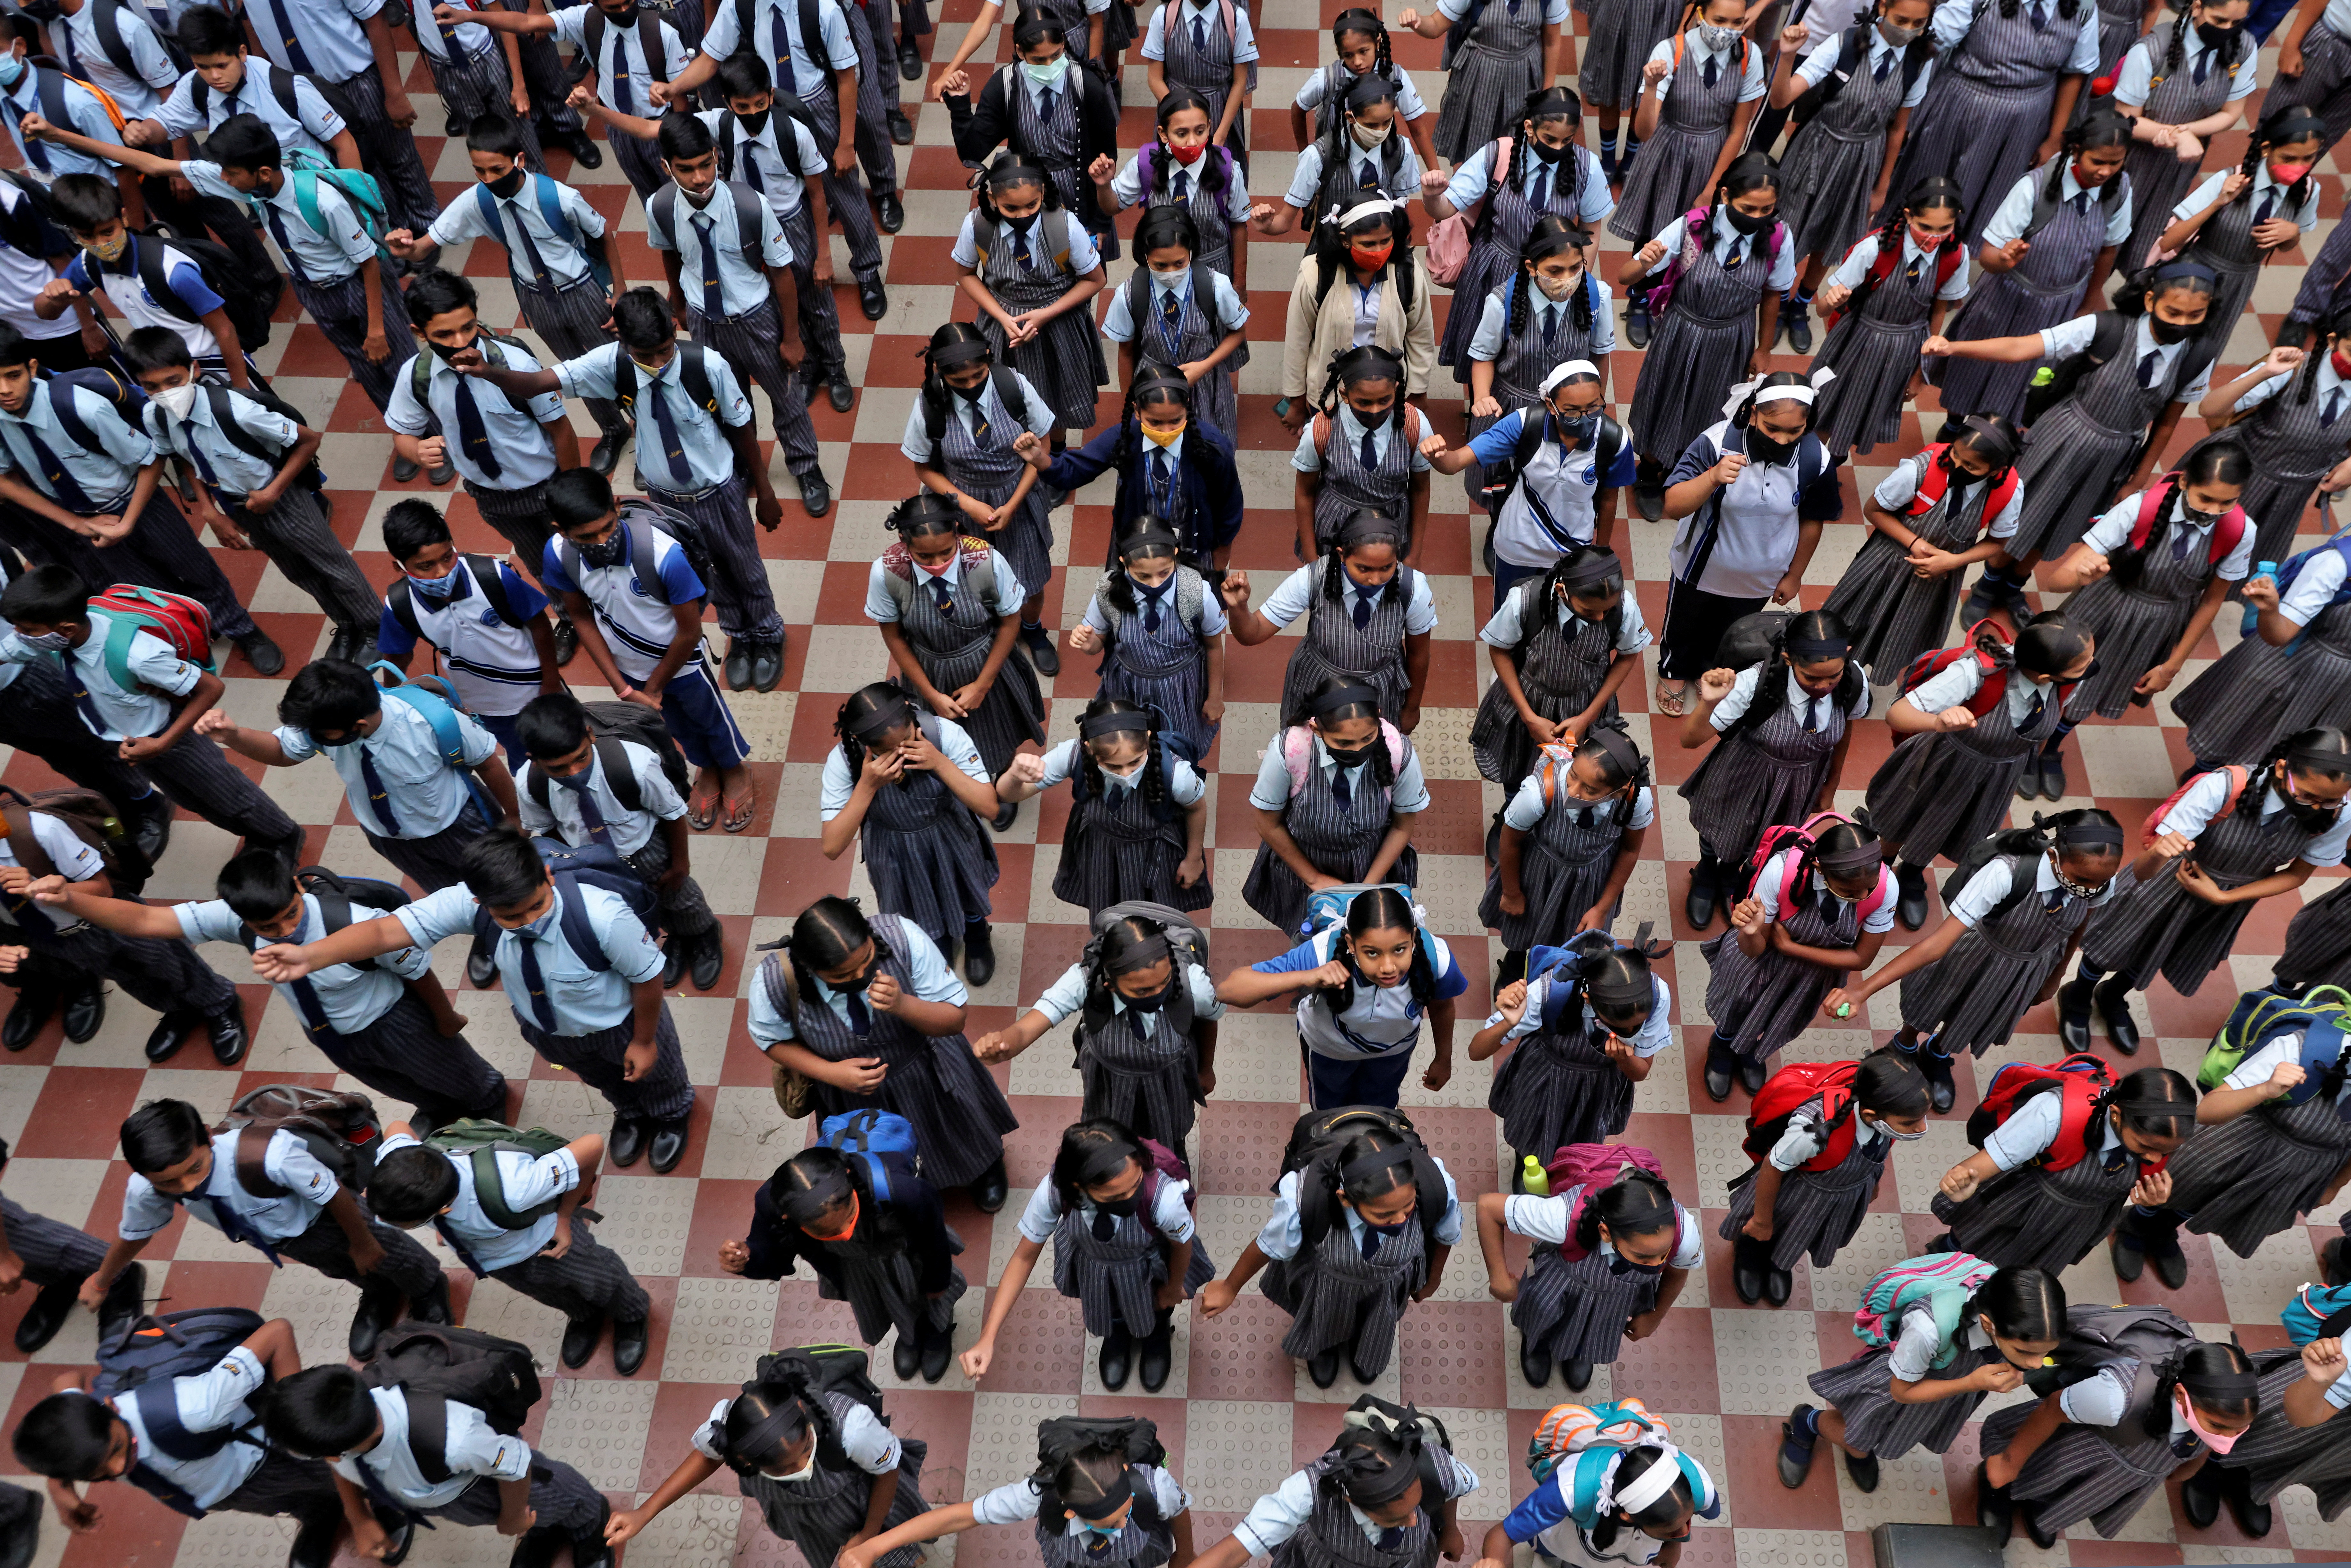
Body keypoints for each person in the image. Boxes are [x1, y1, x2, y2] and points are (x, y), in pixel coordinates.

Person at [249, 825, 698, 1175]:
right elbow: (387, 931)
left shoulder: (602, 916)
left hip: (622, 1023)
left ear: (546, 876)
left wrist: (643, 1041)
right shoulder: (469, 902)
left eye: (535, 906)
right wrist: (309, 954)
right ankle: (632, 1112)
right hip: (550, 1028)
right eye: (508, 916)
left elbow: (647, 977)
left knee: (657, 1075)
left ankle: (670, 1113)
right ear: (481, 902)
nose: (525, 922)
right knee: (603, 1078)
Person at [459, 292, 793, 701]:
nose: (655, 364)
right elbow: (538, 382)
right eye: (643, 355)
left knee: (744, 565)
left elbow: (743, 427)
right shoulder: (610, 364)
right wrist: (488, 372)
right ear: (622, 343)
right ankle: (738, 634)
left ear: (675, 327)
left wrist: (764, 489)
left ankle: (767, 632)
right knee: (701, 571)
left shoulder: (707, 365)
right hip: (664, 499)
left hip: (718, 491)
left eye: (663, 352)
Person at [31, 847, 504, 1128]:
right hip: (328, 1031)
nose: (281, 930)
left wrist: (445, 1019)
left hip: (395, 1022)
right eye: (267, 925)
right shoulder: (235, 920)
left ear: (299, 891)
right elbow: (146, 919)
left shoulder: (355, 923)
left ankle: (489, 1108)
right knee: (394, 1083)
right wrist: (71, 899)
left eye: (290, 916)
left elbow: (415, 970)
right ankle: (439, 1108)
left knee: (462, 1076)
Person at [33, 117, 416, 445]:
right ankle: (405, 434)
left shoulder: (322, 202)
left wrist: (378, 327)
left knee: (399, 360)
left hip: (358, 286)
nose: (224, 180)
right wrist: (60, 135)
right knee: (365, 366)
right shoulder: (245, 182)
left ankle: (430, 435)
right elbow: (151, 164)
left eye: (230, 174)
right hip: (313, 290)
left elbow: (367, 262)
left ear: (261, 174)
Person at [577, 50, 875, 415]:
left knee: (814, 299)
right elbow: (652, 129)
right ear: (727, 103)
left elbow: (815, 192)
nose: (751, 113)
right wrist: (595, 110)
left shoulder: (793, 133)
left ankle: (836, 368)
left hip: (790, 222)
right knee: (775, 301)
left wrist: (824, 254)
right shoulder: (718, 124)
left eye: (758, 104)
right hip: (742, 221)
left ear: (770, 95)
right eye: (741, 106)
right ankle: (807, 367)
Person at [1931, 261, 2222, 619]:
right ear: (2150, 301)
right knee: (2024, 515)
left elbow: (2166, 424)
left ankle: (2012, 588)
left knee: (2061, 521)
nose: (2181, 323)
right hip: (2063, 437)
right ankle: (1986, 586)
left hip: (2115, 454)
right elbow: (2022, 348)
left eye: (2195, 315)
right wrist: (1953, 348)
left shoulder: (2197, 355)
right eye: (2172, 312)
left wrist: (2137, 478)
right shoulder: (2107, 328)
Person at [0, 324, 284, 679]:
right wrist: (76, 523)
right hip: (84, 517)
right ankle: (186, 635)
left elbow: (149, 461)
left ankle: (242, 630)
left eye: (13, 375)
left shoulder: (80, 406)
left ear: (31, 367)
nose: (5, 390)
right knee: (141, 589)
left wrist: (128, 521)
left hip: (139, 503)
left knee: (193, 567)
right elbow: (5, 479)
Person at [85, 1098, 450, 1357]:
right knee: (338, 1266)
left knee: (388, 1253)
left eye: (194, 1169)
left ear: (209, 1139)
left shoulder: (270, 1157)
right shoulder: (147, 1186)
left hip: (333, 1216)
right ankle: (379, 1293)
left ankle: (429, 1286)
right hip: (283, 1237)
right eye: (168, 1183)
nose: (186, 1188)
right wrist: (102, 1280)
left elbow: (334, 1195)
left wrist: (363, 1243)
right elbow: (136, 1234)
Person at [0, 564, 303, 872]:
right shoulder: (60, 640)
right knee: (192, 798)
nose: (19, 636)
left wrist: (162, 744)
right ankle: (257, 835)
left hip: (171, 737)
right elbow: (8, 650)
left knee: (228, 793)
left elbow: (211, 688)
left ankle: (283, 836)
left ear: (65, 629)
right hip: (135, 742)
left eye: (26, 630)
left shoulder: (138, 655)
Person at [1823, 809, 2130, 1111]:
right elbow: (1936, 946)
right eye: (2082, 880)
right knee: (1931, 1001)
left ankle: (1938, 1053)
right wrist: (1862, 990)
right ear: (2054, 857)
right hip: (1975, 954)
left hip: (2029, 965)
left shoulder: (2099, 881)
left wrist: (2057, 974)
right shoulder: (2006, 873)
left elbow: (2081, 923)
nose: (2089, 890)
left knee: (1976, 1015)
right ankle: (1904, 1044)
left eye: (2100, 883)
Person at [2066, 727, 2351, 1050]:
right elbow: (2157, 854)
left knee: (2161, 948)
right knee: (2117, 940)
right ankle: (2077, 996)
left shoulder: (2340, 815)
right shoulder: (2224, 785)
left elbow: (2297, 875)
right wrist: (2160, 852)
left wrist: (2223, 897)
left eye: (2328, 802)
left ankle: (2112, 994)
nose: (2315, 809)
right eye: (2306, 795)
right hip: (2173, 877)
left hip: (2229, 898)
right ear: (2282, 769)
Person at [121, 326, 378, 667]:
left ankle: (375, 627)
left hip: (282, 498)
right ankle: (346, 625)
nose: (165, 394)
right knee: (298, 571)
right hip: (239, 507)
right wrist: (210, 512)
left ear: (194, 370)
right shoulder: (155, 416)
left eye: (173, 381)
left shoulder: (237, 410)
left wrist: (273, 491)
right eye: (151, 387)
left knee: (332, 565)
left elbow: (309, 441)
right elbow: (183, 458)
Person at [10, 1316, 359, 1567]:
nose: (119, 1468)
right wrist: (59, 1488)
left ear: (110, 1406)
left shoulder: (197, 1407)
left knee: (335, 1476)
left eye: (117, 1449)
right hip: (216, 1487)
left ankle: (377, 1507)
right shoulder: (91, 1429)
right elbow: (66, 1381)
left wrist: (296, 1420)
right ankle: (321, 1515)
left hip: (263, 1460)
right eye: (99, 1472)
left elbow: (278, 1331)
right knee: (282, 1501)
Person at [384, 120, 629, 473]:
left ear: (519, 160)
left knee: (614, 361)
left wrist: (619, 292)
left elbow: (602, 232)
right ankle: (612, 429)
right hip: (535, 298)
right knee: (570, 370)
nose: (487, 179)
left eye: (496, 169)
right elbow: (424, 247)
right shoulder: (477, 201)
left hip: (581, 291)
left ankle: (644, 424)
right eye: (479, 171)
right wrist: (405, 249)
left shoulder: (558, 197)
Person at [748, 895, 1015, 1213]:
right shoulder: (777, 980)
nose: (862, 977)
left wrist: (903, 1005)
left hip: (927, 1069)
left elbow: (955, 1019)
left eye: (867, 961)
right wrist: (830, 1073)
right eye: (844, 976)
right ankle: (907, 1190)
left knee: (961, 1126)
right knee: (878, 1158)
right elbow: (771, 1041)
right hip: (854, 1097)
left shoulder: (902, 938)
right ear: (810, 968)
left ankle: (983, 1168)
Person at [539, 466, 759, 830]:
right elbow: (580, 618)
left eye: (607, 528)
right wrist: (623, 688)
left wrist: (653, 688)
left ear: (616, 505)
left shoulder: (663, 556)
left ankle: (735, 769)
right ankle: (706, 768)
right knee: (674, 724)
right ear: (560, 530)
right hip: (626, 663)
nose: (599, 542)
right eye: (585, 536)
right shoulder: (559, 555)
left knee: (710, 718)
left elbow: (689, 633)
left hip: (681, 662)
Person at [2030, 444, 2254, 795]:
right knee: (2057, 677)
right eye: (2205, 499)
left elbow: (2212, 601)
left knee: (2095, 688)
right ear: (2183, 482)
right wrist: (2081, 576)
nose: (2214, 511)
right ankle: (2030, 741)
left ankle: (2050, 748)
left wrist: (2172, 665)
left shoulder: (2240, 531)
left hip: (2156, 624)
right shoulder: (2138, 509)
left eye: (2227, 503)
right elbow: (2055, 581)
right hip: (2102, 606)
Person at [643, 113, 831, 519]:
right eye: (685, 169)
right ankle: (745, 467)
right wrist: (677, 302)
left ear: (716, 156)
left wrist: (792, 337)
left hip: (757, 319)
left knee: (786, 399)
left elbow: (781, 271)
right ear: (667, 167)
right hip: (705, 323)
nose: (698, 178)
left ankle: (807, 468)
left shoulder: (750, 206)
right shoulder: (659, 207)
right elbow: (670, 253)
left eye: (705, 165)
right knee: (726, 401)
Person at [200, 656, 515, 894]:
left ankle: (509, 923)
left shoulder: (431, 723)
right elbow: (283, 750)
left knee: (500, 882)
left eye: (322, 735)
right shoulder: (325, 722)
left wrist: (514, 819)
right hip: (388, 835)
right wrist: (234, 736)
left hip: (459, 824)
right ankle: (482, 927)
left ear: (359, 726)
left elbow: (487, 763)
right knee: (449, 892)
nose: (312, 738)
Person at [366, 1116, 649, 1374]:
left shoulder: (517, 1188)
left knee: (598, 1278)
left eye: (408, 1224)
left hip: (545, 1242)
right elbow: (398, 1128)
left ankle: (631, 1314)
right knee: (545, 1291)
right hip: (496, 1257)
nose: (379, 1218)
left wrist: (563, 1217)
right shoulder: (398, 1161)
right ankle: (586, 1315)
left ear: (441, 1208)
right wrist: (443, 1227)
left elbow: (592, 1146)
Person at [262, 1361, 613, 1567]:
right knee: (537, 1519)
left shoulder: (455, 1439)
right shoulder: (343, 1423)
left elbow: (515, 1465)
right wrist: (359, 1516)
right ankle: (544, 1530)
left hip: (506, 1484)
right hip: (445, 1494)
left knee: (565, 1500)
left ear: (335, 1451)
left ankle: (591, 1528)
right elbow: (345, 1469)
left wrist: (512, 1517)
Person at [1198, 1117, 1462, 1387]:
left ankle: (1367, 1344)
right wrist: (1230, 1287)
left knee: (1378, 1318)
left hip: (1387, 1284)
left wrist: (1434, 1278)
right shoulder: (1304, 1199)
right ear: (1345, 1199)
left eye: (1407, 1207)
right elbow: (1269, 1245)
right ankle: (1324, 1346)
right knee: (1323, 1316)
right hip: (1327, 1282)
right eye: (1384, 1215)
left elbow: (1446, 1234)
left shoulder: (1434, 1185)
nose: (1401, 1220)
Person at [1866, 617, 2098, 923]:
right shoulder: (1974, 674)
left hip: (1997, 776)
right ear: (2044, 675)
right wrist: (1937, 722)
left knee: (1948, 828)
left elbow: (2043, 725)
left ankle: (1910, 874)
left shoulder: (2062, 680)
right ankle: (1881, 872)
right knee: (1906, 820)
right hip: (1943, 765)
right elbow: (1897, 715)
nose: (2091, 667)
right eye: (2083, 666)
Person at [959, 1118, 1214, 1393]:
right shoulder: (1057, 1190)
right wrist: (988, 1336)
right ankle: (1117, 1336)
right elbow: (1024, 1257)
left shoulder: (1162, 1199)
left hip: (1148, 1266)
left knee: (1156, 1305)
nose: (1132, 1195)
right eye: (1115, 1195)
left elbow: (1181, 1244)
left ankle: (1157, 1336)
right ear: (1080, 1187)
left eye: (1136, 1182)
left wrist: (1173, 1288)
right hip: (1096, 1265)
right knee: (1108, 1303)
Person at [607, 1348, 934, 1562]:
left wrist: (867, 1536)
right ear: (747, 1462)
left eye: (807, 1449)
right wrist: (645, 1512)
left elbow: (887, 1473)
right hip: (807, 1517)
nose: (803, 1466)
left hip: (865, 1501)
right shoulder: (731, 1427)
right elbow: (707, 1456)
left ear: (804, 1412)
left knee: (896, 1550)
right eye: (785, 1468)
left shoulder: (853, 1429)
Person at [1927, 106, 2134, 427]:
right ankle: (1954, 427)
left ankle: (1997, 436)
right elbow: (1987, 258)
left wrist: (2090, 297)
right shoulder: (2032, 188)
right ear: (2076, 152)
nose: (2106, 172)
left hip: (2062, 304)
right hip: (2007, 299)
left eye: (2115, 163)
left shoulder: (2119, 191)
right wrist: (2004, 260)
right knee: (1975, 371)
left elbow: (2109, 249)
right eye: (2098, 162)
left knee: (2027, 380)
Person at [1623, 166, 1804, 533]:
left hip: (1731, 337)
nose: (1758, 217)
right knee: (1664, 399)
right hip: (1681, 332)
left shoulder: (1778, 239)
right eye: (1748, 208)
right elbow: (1626, 277)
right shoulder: (1691, 226)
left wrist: (1764, 348)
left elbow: (1773, 294)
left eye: (1767, 209)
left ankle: (1689, 471)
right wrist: (1643, 260)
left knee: (1711, 407)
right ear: (1725, 197)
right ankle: (1650, 469)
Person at [1784, 1266, 2068, 1495]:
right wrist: (1971, 1383)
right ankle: (1808, 1422)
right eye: (2024, 1352)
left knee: (1875, 1436)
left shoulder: (2004, 1301)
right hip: (1899, 1385)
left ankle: (1861, 1445)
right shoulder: (1927, 1330)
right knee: (1858, 1440)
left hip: (1944, 1386)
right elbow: (1901, 1392)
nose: (2035, 1363)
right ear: (1988, 1325)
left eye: (2045, 1353)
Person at [1977, 1319, 2254, 1548]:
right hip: (2076, 1448)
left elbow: (2205, 1441)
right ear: (2182, 1397)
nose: (2227, 1440)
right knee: (2039, 1470)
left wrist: (2194, 1461)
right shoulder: (2115, 1397)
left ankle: (2041, 1504)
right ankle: (1998, 1494)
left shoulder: (2219, 1415)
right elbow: (2052, 1409)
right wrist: (2009, 1463)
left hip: (2117, 1473)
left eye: (2240, 1430)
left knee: (2069, 1489)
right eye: (2218, 1428)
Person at [514, 689, 723, 991]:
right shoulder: (529, 784)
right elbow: (546, 831)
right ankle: (676, 938)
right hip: (590, 861)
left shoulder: (636, 766)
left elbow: (673, 814)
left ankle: (704, 936)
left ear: (590, 735)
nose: (574, 773)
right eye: (558, 769)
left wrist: (681, 865)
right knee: (630, 906)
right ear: (533, 760)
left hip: (647, 850)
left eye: (581, 758)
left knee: (681, 899)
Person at [864, 491, 1047, 833]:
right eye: (923, 556)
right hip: (927, 668)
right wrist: (930, 695)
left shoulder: (986, 561)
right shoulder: (887, 573)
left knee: (998, 731)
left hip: (987, 663)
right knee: (937, 740)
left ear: (959, 531)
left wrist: (983, 685)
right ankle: (960, 787)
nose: (936, 563)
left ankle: (999, 788)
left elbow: (1010, 622)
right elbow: (894, 637)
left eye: (946, 552)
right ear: (903, 542)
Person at [1768, 0, 1939, 357]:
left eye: (1917, 23)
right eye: (1900, 19)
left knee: (1833, 233)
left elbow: (1898, 129)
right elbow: (1781, 99)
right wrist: (1786, 56)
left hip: (1864, 158)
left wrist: (1882, 186)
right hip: (1817, 148)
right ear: (1881, 7)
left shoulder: (1917, 61)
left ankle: (1801, 303)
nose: (1907, 29)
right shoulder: (1842, 45)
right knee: (1790, 231)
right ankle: (1779, 299)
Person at [1676, 614, 1866, 934]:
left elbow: (1844, 730)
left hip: (1800, 783)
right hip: (1743, 775)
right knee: (1719, 828)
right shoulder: (1755, 682)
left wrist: (1830, 784)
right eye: (1810, 679)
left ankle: (1732, 876)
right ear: (1789, 659)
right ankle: (1708, 872)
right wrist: (1708, 703)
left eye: (1831, 678)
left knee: (1768, 840)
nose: (1822, 687)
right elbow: (1688, 740)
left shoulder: (1852, 681)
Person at [659, 0, 904, 241]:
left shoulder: (823, 8)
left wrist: (847, 144)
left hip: (817, 103)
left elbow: (846, 78)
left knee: (843, 187)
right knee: (789, 186)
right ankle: (812, 264)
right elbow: (711, 59)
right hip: (771, 109)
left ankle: (868, 267)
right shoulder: (740, 5)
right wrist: (673, 89)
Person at [723, 1143, 967, 1382]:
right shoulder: (774, 1205)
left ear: (850, 1181)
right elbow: (774, 1259)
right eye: (830, 1233)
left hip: (907, 1255)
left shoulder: (904, 1190)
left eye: (850, 1217)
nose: (848, 1234)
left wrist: (938, 1282)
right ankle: (911, 1334)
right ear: (792, 1220)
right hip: (853, 1268)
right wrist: (748, 1259)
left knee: (930, 1296)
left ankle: (938, 1331)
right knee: (889, 1301)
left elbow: (933, 1238)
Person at [1428, 91, 1614, 395]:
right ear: (1529, 128)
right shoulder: (1498, 155)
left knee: (1542, 352)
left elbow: (1592, 228)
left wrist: (1576, 277)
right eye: (1549, 139)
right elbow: (1444, 209)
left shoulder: (1587, 166)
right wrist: (1431, 195)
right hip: (1494, 269)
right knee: (1483, 351)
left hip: (1553, 274)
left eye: (1567, 141)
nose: (1558, 148)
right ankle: (1481, 407)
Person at [1217, 884, 1465, 1109]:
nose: (1388, 967)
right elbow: (1229, 990)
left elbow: (1442, 1008)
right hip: (1328, 1051)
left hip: (1393, 1054)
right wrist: (1307, 977)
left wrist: (1444, 1058)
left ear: (1413, 937)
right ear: (1351, 943)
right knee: (1329, 1111)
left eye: (1400, 950)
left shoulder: (1437, 959)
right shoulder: (1322, 951)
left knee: (1381, 1107)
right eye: (1372, 953)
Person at [1698, 814, 1893, 1099]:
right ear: (1820, 868)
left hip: (1815, 973)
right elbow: (1754, 949)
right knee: (1737, 1004)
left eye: (1870, 887)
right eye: (1850, 891)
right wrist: (1752, 932)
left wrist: (1792, 948)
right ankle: (1722, 1046)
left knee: (1781, 1014)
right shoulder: (1782, 872)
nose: (1863, 896)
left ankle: (1751, 1050)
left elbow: (1861, 959)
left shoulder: (1886, 888)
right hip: (1758, 960)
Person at [818, 682, 1005, 978]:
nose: (901, 753)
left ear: (909, 713)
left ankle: (977, 936)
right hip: (894, 850)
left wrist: (940, 763)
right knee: (916, 906)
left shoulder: (943, 734)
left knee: (966, 888)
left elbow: (990, 807)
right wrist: (867, 786)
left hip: (951, 835)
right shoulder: (844, 760)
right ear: (862, 742)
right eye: (886, 751)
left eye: (906, 739)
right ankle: (936, 945)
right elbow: (832, 847)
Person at [1819, 415, 2024, 684]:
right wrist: (1916, 543)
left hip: (1936, 580)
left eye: (1972, 466)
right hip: (1886, 563)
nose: (1958, 466)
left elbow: (1999, 542)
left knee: (1899, 636)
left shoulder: (2010, 490)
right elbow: (1874, 510)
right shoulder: (1920, 470)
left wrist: (1954, 561)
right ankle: (1826, 676)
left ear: (1997, 469)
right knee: (1850, 623)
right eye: (1955, 454)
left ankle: (1854, 685)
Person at [1931, 1064, 2195, 1272]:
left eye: (2167, 1151)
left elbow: (2151, 1162)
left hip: (2076, 1221)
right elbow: (1978, 1168)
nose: (2154, 1157)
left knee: (2024, 1264)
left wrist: (2152, 1199)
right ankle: (1941, 1256)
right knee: (1973, 1242)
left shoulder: (2160, 1135)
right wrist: (1961, 1183)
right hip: (2021, 1204)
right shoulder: (2051, 1114)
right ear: (2116, 1114)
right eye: (2144, 1146)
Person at [1877, 0, 2103, 241]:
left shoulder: (2083, 8)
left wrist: (2055, 138)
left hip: (2023, 125)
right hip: (1958, 108)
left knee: (1986, 204)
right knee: (1926, 188)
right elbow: (1934, 38)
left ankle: (1952, 265)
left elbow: (2074, 72)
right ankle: (1895, 256)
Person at [908, 322, 1060, 676]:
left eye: (978, 375)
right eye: (959, 381)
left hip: (1016, 496)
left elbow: (1045, 449)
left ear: (989, 359)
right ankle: (988, 631)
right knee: (968, 578)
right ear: (938, 371)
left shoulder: (1014, 388)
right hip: (960, 505)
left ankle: (1032, 631)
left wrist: (1012, 504)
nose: (972, 385)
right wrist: (968, 505)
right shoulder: (929, 405)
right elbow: (924, 470)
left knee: (1032, 579)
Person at [1721, 1053, 1930, 1306]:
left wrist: (1871, 1184)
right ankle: (1749, 1255)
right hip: (1792, 1193)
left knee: (1799, 1232)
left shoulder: (1886, 1122)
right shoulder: (1814, 1131)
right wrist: (1762, 1221)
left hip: (1834, 1198)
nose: (1921, 1128)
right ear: (1872, 1115)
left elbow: (1877, 1152)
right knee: (1767, 1229)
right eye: (1911, 1122)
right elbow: (1772, 1167)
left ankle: (1779, 1263)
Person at [1478, 1156, 1698, 1391]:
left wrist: (1656, 1316)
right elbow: (1488, 1207)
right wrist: (1498, 1278)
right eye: (1642, 1257)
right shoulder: (1562, 1216)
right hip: (1559, 1283)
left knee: (1597, 1324)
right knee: (1540, 1314)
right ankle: (1536, 1343)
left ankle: (1578, 1351)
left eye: (1662, 1254)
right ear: (1606, 1233)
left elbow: (1678, 1272)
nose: (1656, 1265)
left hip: (1616, 1296)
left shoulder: (1683, 1232)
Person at [1427, 361, 1633, 610]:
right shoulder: (1524, 424)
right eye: (1571, 412)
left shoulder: (1615, 441)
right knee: (1510, 618)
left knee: (1560, 620)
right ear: (1550, 405)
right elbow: (1456, 462)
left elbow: (1609, 500)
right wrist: (1439, 456)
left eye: (1594, 408)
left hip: (1573, 552)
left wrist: (1600, 552)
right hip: (1517, 546)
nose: (1584, 419)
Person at [373, 500, 567, 764]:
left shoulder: (494, 577)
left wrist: (552, 681)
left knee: (563, 749)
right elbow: (397, 658)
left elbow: (540, 625)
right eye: (426, 566)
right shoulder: (399, 606)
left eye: (447, 558)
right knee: (525, 761)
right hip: (482, 704)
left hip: (537, 689)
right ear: (400, 568)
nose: (443, 572)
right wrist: (391, 704)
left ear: (453, 546)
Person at [836, 1426, 1197, 1568]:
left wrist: (1185, 1555)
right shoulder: (1037, 1496)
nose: (1123, 1523)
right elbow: (959, 1516)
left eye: (1126, 1512)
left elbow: (1179, 1511)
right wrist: (874, 1547)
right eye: (1111, 1522)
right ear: (1070, 1514)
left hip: (1137, 1558)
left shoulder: (1155, 1486)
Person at [1238, 682, 1431, 940]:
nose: (1357, 750)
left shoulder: (1399, 751)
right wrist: (1316, 880)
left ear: (1379, 718)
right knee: (1308, 938)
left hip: (1371, 862)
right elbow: (1268, 824)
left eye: (1367, 739)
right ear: (1317, 729)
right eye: (1343, 743)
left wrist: (1366, 889)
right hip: (1304, 863)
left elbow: (1401, 826)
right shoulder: (1291, 750)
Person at [950, 152, 1108, 457]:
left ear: (1043, 194)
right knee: (1004, 393)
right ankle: (1019, 452)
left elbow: (1095, 280)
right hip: (1002, 327)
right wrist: (1003, 317)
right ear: (993, 199)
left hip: (1058, 325)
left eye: (1031, 206)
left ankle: (1056, 456)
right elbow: (966, 275)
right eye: (1011, 208)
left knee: (1057, 393)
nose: (1022, 215)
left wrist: (1045, 315)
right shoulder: (977, 226)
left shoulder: (1064, 225)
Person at [995, 699, 1211, 918]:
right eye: (1113, 766)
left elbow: (1197, 809)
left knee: (1162, 916)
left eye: (1135, 762)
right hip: (1101, 849)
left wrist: (1194, 858)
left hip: (1158, 854)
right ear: (1089, 750)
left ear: (1147, 740)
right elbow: (1008, 794)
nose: (1126, 774)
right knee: (1109, 908)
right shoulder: (1072, 755)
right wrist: (1014, 776)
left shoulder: (1178, 776)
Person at [1225, 510, 1434, 734]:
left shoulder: (1414, 588)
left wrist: (1412, 707)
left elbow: (1419, 654)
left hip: (1378, 697)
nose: (1376, 580)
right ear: (1342, 555)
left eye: (1387, 568)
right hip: (1317, 690)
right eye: (1364, 569)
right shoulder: (1312, 579)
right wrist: (1238, 608)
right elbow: (1252, 633)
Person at [1470, 926, 1671, 1156]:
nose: (1629, 1033)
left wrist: (1624, 1060)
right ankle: (1526, 1163)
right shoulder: (1550, 992)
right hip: (1544, 1079)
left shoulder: (1658, 996)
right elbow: (1476, 1051)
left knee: (1582, 1144)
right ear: (1589, 1000)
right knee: (1532, 1134)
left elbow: (1640, 1071)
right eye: (1617, 1027)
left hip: (1597, 1092)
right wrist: (1509, 1022)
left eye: (1638, 1027)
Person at [1805, 178, 1970, 458]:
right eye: (1925, 227)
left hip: (1903, 350)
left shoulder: (1956, 255)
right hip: (1854, 341)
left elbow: (1938, 312)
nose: (1934, 238)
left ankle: (1831, 470)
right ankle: (1807, 467)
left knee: (1859, 415)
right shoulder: (1874, 248)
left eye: (1945, 229)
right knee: (1825, 409)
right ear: (1908, 215)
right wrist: (1829, 302)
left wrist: (1919, 374)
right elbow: (1823, 310)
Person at [1282, 222, 1436, 515]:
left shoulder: (1407, 271)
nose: (1379, 251)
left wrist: (1417, 389)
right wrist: (1295, 400)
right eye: (1368, 243)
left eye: (1386, 241)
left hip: (1385, 390)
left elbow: (1421, 335)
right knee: (1327, 467)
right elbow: (1298, 340)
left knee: (1388, 457)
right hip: (1328, 397)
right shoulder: (1316, 273)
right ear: (1345, 240)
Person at [1022, 368, 1243, 573]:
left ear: (1187, 407)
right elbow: (1074, 470)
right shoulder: (1124, 437)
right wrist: (1040, 459)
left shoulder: (1213, 446)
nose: (1166, 432)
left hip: (1194, 548)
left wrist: (1220, 562)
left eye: (1176, 421)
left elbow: (1230, 506)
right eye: (1155, 422)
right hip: (1136, 546)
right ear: (1137, 411)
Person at [1466, 544, 1647, 793]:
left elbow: (1628, 656)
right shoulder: (1525, 601)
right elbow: (1499, 651)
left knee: (1578, 780)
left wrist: (1587, 718)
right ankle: (1514, 815)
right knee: (1518, 770)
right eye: (1590, 611)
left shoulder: (1624, 608)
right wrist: (1529, 718)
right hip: (1528, 704)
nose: (1601, 619)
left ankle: (1553, 827)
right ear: (1562, 592)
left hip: (1586, 706)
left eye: (1607, 610)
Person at [941, 9, 1121, 259]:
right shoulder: (1004, 86)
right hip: (1025, 202)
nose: (1050, 66)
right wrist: (960, 106)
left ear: (1064, 45)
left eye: (1056, 56)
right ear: (1021, 52)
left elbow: (1107, 157)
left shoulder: (1087, 85)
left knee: (1084, 278)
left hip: (1082, 200)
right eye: (1038, 60)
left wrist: (1101, 223)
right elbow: (973, 151)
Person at [1190, 1417, 1476, 1568]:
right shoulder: (1307, 1491)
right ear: (1352, 1500)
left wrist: (1450, 1529)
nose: (1415, 1523)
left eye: (1417, 1508)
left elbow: (1451, 1490)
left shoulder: (1434, 1468)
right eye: (1395, 1519)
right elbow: (1231, 1552)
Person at [1475, 727, 1653, 961]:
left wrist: (1602, 908)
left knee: (1574, 942)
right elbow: (1510, 840)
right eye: (1573, 775)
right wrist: (1512, 893)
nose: (1573, 790)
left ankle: (1557, 978)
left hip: (1590, 884)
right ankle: (1515, 963)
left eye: (1589, 790)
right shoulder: (1538, 793)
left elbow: (1630, 850)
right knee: (1524, 929)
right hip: (1538, 874)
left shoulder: (1636, 801)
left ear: (1618, 793)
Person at [2107, 0, 2258, 272]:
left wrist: (2185, 133)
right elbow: (2126, 119)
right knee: (2108, 235)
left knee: (2150, 242)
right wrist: (2176, 137)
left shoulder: (2244, 48)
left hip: (2180, 165)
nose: (2228, 30)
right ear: (2198, 7)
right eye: (2220, 20)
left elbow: (2232, 112)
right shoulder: (2151, 51)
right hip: (2131, 161)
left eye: (2237, 23)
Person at [2162, 106, 2325, 354]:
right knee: (2173, 338)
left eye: (2308, 158)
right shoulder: (2227, 180)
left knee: (2206, 351)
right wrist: (2218, 202)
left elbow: (2286, 245)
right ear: (2267, 149)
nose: (2299, 167)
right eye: (2289, 158)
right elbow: (2168, 242)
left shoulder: (2307, 192)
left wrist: (2293, 234)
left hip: (2240, 283)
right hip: (2194, 274)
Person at [1065, 514, 1228, 758]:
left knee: (1180, 749)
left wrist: (1215, 698)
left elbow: (1214, 647)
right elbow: (1097, 642)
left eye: (1164, 573)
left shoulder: (1197, 592)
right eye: (1143, 577)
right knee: (1127, 749)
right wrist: (1089, 644)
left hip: (1181, 688)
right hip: (1127, 687)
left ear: (1175, 554)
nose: (1154, 584)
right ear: (1124, 562)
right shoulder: (1108, 591)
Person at [2191, 331, 2351, 576]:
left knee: (2246, 567)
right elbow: (2209, 408)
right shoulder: (2292, 370)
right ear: (2332, 341)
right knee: (2196, 552)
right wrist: (2265, 372)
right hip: (2237, 476)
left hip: (2288, 498)